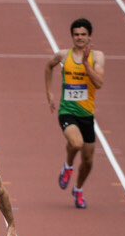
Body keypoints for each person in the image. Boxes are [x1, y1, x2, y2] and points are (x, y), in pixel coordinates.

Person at [44, 17, 105, 209]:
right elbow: (48, 66)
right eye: (76, 34)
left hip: (87, 114)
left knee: (88, 161)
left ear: (89, 37)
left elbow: (99, 84)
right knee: (76, 143)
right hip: (67, 111)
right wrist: (49, 92)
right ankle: (68, 167)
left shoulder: (98, 57)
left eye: (83, 35)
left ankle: (78, 189)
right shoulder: (63, 55)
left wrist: (86, 65)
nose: (79, 38)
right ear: (72, 36)